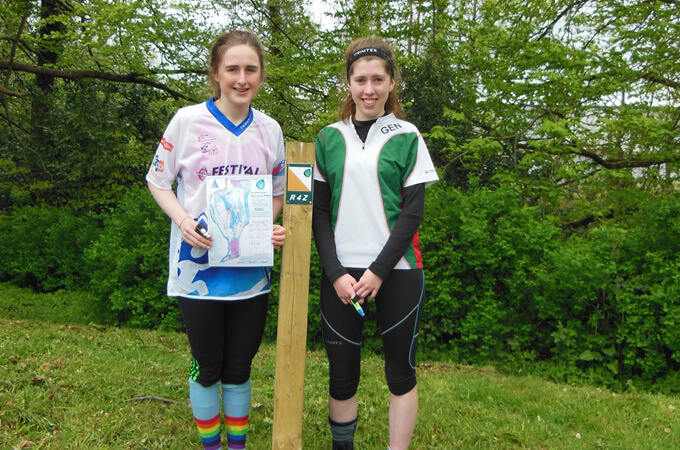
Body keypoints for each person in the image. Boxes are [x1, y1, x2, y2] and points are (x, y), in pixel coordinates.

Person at [146, 30, 286, 450]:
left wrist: (268, 225)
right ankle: (211, 447)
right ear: (215, 73)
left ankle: (237, 446)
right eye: (232, 69)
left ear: (261, 75)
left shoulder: (270, 130)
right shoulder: (187, 121)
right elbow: (158, 181)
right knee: (208, 367)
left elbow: (276, 194)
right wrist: (185, 220)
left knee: (240, 368)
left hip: (250, 276)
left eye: (251, 69)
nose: (241, 78)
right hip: (198, 275)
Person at [312, 36, 439, 450]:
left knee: (400, 373)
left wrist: (378, 271)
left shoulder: (408, 135)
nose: (369, 89)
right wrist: (335, 273)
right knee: (342, 373)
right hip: (342, 277)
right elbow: (319, 213)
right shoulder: (327, 138)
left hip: (398, 271)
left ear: (391, 82)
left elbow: (413, 213)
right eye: (360, 79)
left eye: (378, 79)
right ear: (348, 83)